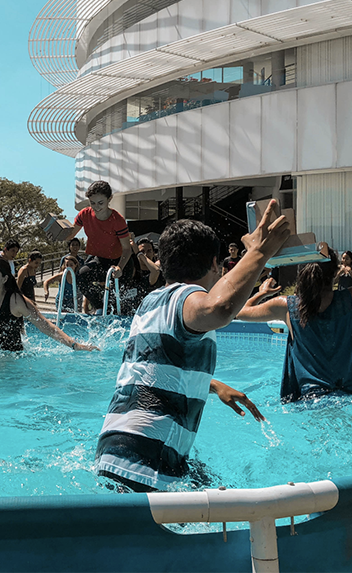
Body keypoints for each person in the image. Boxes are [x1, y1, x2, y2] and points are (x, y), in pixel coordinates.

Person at [95, 202, 290, 492]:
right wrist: (259, 252)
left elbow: (154, 363)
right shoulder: (188, 297)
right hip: (148, 456)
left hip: (116, 446)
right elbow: (221, 307)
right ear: (214, 264)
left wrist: (211, 385)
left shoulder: (152, 301)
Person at [236, 221, 352, 403]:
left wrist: (261, 293)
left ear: (301, 274)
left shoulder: (286, 306)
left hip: (309, 398)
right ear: (336, 273)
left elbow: (240, 311)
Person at [0, 257, 97, 352]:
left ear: (5, 279)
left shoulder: (16, 301)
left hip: (14, 362)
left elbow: (46, 326)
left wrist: (75, 345)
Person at [64, 181, 132, 312]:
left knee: (117, 301)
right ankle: (100, 306)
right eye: (92, 203)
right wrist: (58, 232)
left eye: (101, 203)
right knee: (81, 277)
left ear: (109, 199)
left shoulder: (117, 220)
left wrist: (120, 267)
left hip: (120, 263)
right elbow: (70, 234)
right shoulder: (84, 214)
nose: (96, 207)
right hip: (100, 260)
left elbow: (127, 249)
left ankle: (113, 309)